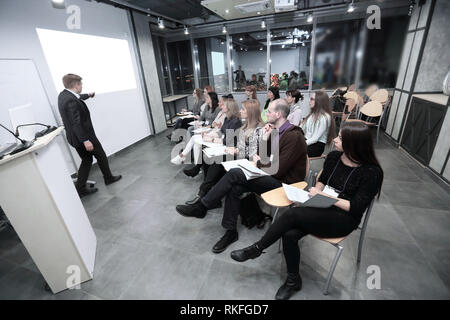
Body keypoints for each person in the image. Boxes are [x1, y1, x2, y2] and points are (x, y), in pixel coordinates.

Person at [230, 121, 384, 300]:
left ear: (354, 143)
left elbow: (356, 207)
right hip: (320, 206)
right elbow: (322, 181)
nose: (334, 139)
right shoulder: (334, 157)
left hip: (344, 218)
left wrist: (323, 198)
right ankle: (293, 280)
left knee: (293, 214)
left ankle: (256, 248)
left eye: (340, 138)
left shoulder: (372, 172)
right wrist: (312, 196)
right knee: (289, 234)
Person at [175, 99, 307, 254]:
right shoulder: (273, 131)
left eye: (269, 111)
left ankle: (202, 206)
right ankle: (230, 231)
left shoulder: (293, 136)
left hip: (285, 185)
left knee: (235, 173)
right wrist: (264, 140)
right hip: (268, 175)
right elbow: (260, 155)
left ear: (278, 114)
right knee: (235, 187)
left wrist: (259, 162)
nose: (266, 113)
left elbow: (277, 169)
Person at [184, 99, 263, 205]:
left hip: (246, 160)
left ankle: (203, 195)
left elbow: (252, 152)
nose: (240, 111)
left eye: (243, 109)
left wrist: (235, 150)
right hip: (236, 152)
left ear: (250, 112)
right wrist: (235, 149)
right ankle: (205, 194)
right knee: (211, 159)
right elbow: (228, 137)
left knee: (215, 161)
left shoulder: (254, 128)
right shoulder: (242, 124)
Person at [58, 74, 121, 197]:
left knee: (86, 160)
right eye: (81, 84)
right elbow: (76, 123)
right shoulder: (71, 100)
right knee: (101, 155)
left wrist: (89, 95)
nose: (82, 86)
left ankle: (80, 189)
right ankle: (108, 178)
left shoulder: (63, 95)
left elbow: (77, 97)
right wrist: (86, 140)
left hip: (74, 138)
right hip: (84, 136)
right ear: (76, 85)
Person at [181, 97, 241, 178]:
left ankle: (197, 169)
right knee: (201, 146)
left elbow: (228, 141)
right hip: (223, 142)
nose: (222, 106)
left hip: (229, 146)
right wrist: (209, 136)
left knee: (206, 150)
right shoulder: (228, 118)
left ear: (229, 108)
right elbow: (221, 131)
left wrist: (212, 139)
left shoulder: (235, 122)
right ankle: (197, 168)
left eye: (224, 105)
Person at [301, 91, 335, 157]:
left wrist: (300, 143)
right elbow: (301, 128)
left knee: (292, 150)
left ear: (319, 101)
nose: (309, 101)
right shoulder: (312, 114)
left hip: (316, 146)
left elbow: (315, 138)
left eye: (312, 99)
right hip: (308, 141)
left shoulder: (325, 117)